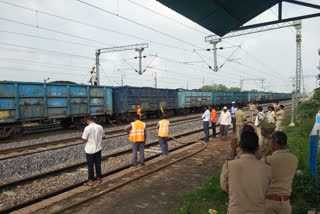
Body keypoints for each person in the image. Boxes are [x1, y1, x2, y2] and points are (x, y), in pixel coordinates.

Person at [220, 131, 272, 214]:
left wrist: (233, 149)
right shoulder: (267, 168)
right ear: (257, 147)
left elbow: (224, 187)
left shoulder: (229, 165)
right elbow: (268, 190)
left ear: (239, 145)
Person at [262, 131, 298, 214]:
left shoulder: (266, 160)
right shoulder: (294, 159)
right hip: (285, 203)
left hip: (269, 202)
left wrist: (267, 152)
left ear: (273, 143)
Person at [81, 116, 105, 186]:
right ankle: (99, 179)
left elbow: (84, 139)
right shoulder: (100, 127)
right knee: (98, 164)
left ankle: (90, 181)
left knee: (90, 166)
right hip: (98, 149)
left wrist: (84, 140)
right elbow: (103, 136)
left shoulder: (87, 128)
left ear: (88, 121)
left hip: (89, 150)